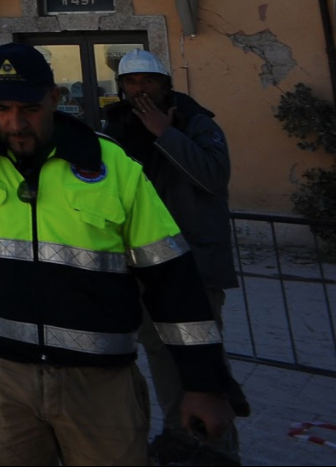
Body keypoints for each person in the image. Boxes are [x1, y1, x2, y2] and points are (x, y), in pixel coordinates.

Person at [0, 43, 234, 465]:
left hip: (99, 387)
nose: (16, 123)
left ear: (54, 99)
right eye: (0, 108)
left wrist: (203, 383)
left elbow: (172, 276)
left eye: (30, 108)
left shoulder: (113, 166)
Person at [103, 49, 244, 464]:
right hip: (145, 263)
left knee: (203, 354)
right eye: (131, 83)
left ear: (165, 84)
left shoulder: (197, 122)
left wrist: (166, 133)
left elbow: (214, 177)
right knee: (159, 350)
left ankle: (218, 446)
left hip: (195, 262)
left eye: (148, 81)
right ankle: (178, 433)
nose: (140, 89)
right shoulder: (117, 128)